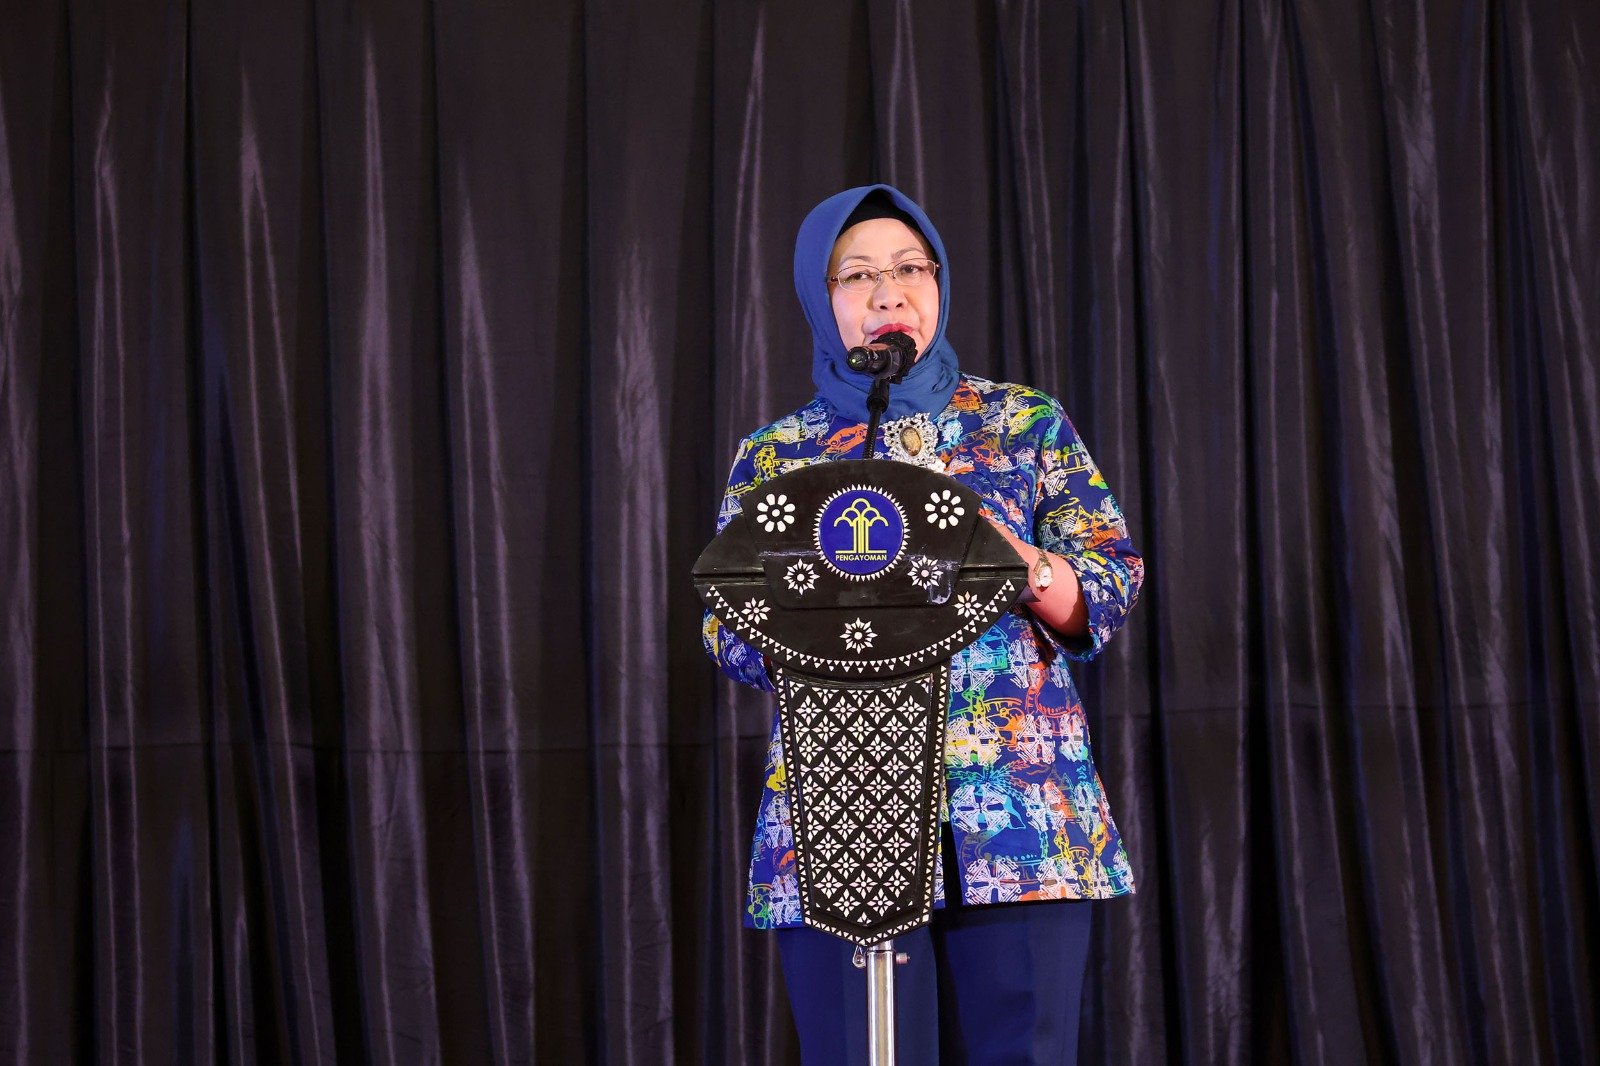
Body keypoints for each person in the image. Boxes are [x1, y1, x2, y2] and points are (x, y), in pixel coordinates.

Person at [702, 184, 1144, 1064]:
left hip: (1019, 810)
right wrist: (808, 602)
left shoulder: (1021, 423)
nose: (888, 293)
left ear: (938, 283)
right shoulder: (777, 454)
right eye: (856, 275)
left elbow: (1108, 579)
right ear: (820, 297)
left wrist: (1021, 563)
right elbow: (728, 631)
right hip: (841, 814)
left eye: (910, 268)